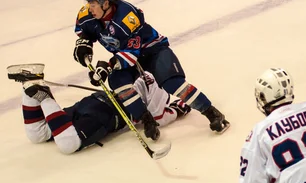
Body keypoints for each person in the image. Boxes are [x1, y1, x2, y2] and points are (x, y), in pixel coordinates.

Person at [72, 0, 229, 141]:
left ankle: (211, 112)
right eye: (88, 3)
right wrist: (84, 44)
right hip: (126, 54)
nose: (89, 8)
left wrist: (109, 65)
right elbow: (84, 31)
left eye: (93, 4)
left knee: (173, 83)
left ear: (105, 3)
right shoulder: (86, 14)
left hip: (153, 51)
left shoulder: (127, 17)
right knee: (118, 82)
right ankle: (147, 120)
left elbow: (131, 54)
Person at [10, 65, 190, 154]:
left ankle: (29, 88)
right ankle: (43, 95)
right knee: (68, 144)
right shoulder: (155, 84)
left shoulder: (136, 68)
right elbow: (160, 116)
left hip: (92, 101)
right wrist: (179, 108)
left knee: (38, 134)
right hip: (106, 114)